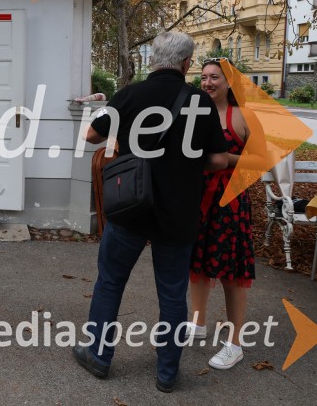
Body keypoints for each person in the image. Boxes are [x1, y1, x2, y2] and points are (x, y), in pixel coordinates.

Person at [75, 31, 229, 393]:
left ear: (153, 59)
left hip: (130, 207)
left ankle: (98, 355)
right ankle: (167, 373)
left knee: (110, 281)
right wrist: (188, 163)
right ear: (188, 63)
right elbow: (220, 159)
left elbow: (91, 137)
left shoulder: (130, 95)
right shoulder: (200, 102)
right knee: (173, 295)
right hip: (179, 214)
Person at [188, 58, 267, 370]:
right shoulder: (194, 113)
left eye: (215, 78)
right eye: (204, 77)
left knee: (232, 275)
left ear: (229, 82)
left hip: (229, 203)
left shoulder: (243, 115)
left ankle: (235, 344)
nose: (207, 83)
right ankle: (197, 323)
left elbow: (261, 161)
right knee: (197, 265)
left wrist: (226, 160)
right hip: (197, 200)